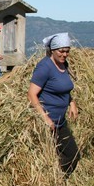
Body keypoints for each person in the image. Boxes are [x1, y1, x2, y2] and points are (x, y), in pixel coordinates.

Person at [27, 33, 80, 176]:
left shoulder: (64, 65)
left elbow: (63, 87)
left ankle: (60, 180)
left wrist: (72, 102)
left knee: (73, 155)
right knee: (51, 157)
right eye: (61, 51)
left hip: (60, 121)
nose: (64, 54)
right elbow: (31, 94)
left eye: (67, 51)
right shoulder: (45, 67)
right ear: (52, 50)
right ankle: (54, 181)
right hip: (47, 123)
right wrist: (45, 118)